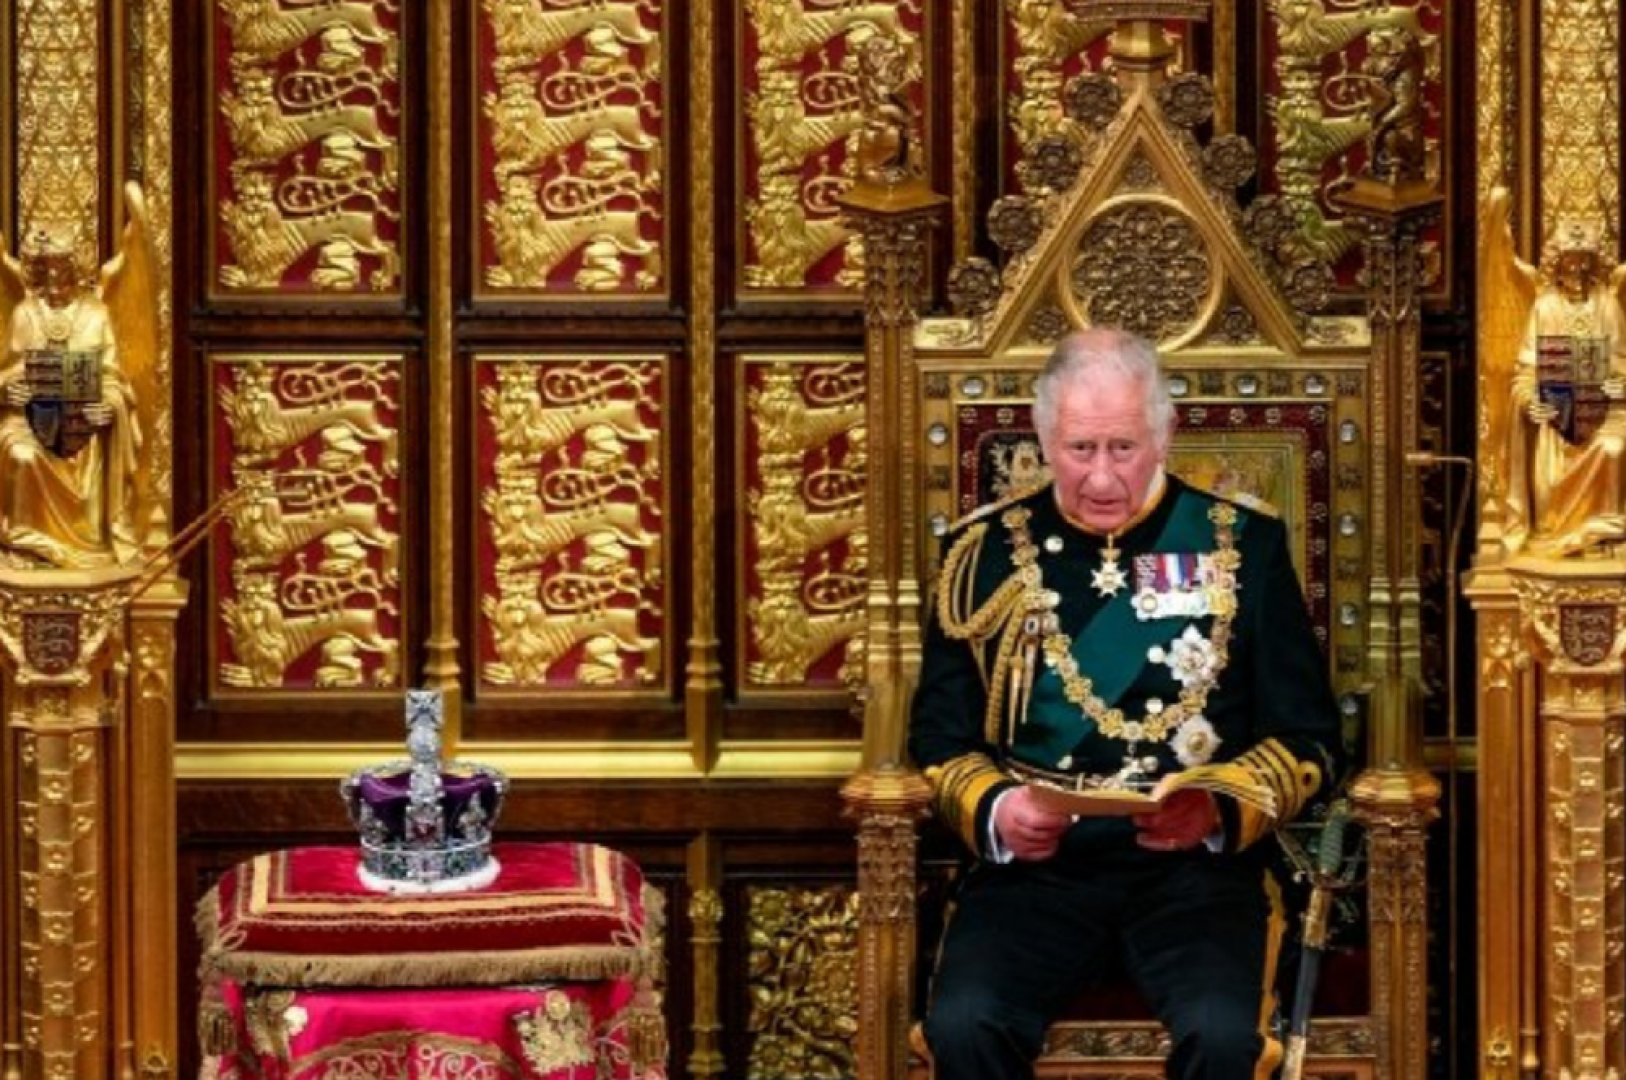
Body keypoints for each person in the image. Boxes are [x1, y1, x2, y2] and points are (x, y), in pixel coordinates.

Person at [909, 327, 1340, 1080]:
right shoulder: (981, 556)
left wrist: (1216, 810)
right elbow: (940, 739)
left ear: (1164, 436)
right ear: (1044, 438)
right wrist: (999, 811)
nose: (1103, 477)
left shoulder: (1244, 545)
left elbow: (1310, 739)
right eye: (1080, 449)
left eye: (1124, 448)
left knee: (1223, 1039)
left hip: (1194, 876)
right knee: (965, 1025)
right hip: (1036, 876)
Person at [0, 229, 142, 566]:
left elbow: (112, 377)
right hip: (27, 422)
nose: (54, 276)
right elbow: (8, 371)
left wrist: (108, 405)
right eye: (47, 267)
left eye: (62, 267)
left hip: (81, 427)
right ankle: (25, 544)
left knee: (85, 452)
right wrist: (5, 392)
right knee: (21, 455)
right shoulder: (25, 313)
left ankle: (88, 542)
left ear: (76, 269)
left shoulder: (96, 314)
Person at [1504, 217, 1626, 555]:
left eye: (1583, 261)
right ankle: (1557, 529)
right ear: (1556, 264)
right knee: (1549, 478)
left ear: (1594, 263)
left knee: (1614, 449)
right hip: (1558, 420)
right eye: (1569, 261)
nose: (1576, 269)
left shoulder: (1608, 305)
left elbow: (1621, 362)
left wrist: (1620, 385)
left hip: (1605, 415)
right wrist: (1529, 400)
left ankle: (1606, 534)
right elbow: (1526, 373)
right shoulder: (1544, 307)